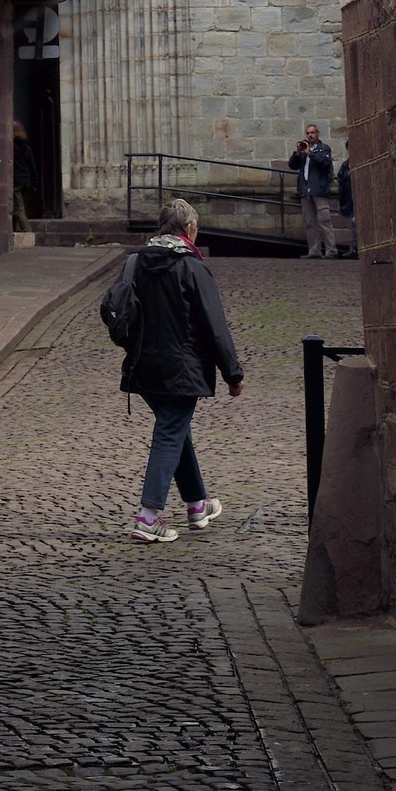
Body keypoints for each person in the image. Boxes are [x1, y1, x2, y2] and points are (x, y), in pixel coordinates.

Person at [105, 197, 244, 543]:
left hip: (144, 367)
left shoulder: (135, 263)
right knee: (170, 433)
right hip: (182, 370)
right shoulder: (192, 268)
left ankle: (198, 504)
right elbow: (215, 326)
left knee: (176, 430)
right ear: (189, 229)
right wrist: (233, 373)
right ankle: (149, 516)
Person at [289, 122, 338, 257]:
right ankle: (314, 250)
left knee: (324, 221)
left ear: (317, 134)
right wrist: (297, 153)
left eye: (312, 133)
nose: (310, 135)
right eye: (308, 133)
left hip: (319, 190)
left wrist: (311, 154)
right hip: (305, 190)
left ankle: (331, 250)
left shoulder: (324, 149)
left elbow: (325, 164)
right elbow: (292, 165)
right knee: (309, 222)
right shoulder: (303, 151)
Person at [337, 145, 355, 257]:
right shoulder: (345, 165)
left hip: (358, 196)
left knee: (356, 223)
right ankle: (354, 248)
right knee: (353, 223)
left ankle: (356, 248)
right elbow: (341, 180)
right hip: (349, 197)